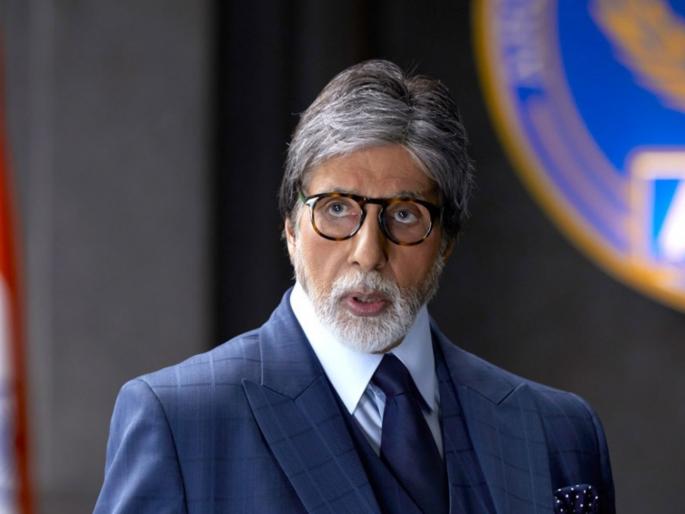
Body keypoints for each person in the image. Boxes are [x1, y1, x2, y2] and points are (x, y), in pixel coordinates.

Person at [94, 60, 615, 514]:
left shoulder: (559, 431)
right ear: (290, 226)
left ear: (447, 242)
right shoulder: (181, 423)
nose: (368, 253)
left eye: (405, 215)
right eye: (337, 209)